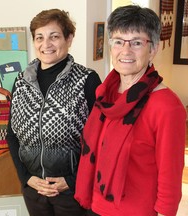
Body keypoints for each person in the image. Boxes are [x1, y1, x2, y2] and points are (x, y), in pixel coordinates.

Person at [74, 5, 186, 216]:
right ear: (110, 47)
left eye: (136, 43)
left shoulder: (166, 106)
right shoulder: (105, 95)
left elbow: (170, 177)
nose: (125, 51)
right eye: (118, 42)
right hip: (95, 207)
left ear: (153, 49)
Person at [6, 8, 101, 216]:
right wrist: (25, 178)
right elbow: (11, 134)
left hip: (71, 190)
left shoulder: (87, 80)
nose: (46, 44)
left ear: (69, 38)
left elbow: (100, 140)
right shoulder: (21, 81)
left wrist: (72, 180)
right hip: (34, 188)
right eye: (39, 37)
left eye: (54, 36)